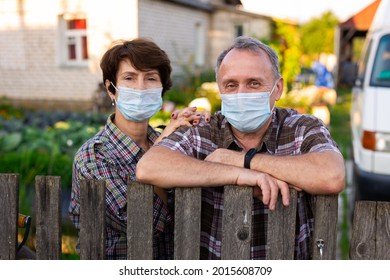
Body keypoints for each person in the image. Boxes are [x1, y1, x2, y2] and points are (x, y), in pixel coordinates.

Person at [136, 36, 346, 260]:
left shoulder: (301, 128)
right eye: (231, 85)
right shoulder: (204, 131)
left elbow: (332, 175)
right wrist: (239, 175)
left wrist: (242, 160)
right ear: (220, 90)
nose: (242, 94)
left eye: (254, 83)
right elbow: (149, 167)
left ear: (278, 88)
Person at [68, 38, 209, 260]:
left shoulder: (177, 141)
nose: (141, 88)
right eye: (129, 78)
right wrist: (164, 145)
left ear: (162, 89)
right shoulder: (93, 157)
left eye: (151, 78)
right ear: (111, 89)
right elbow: (143, 224)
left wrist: (205, 128)